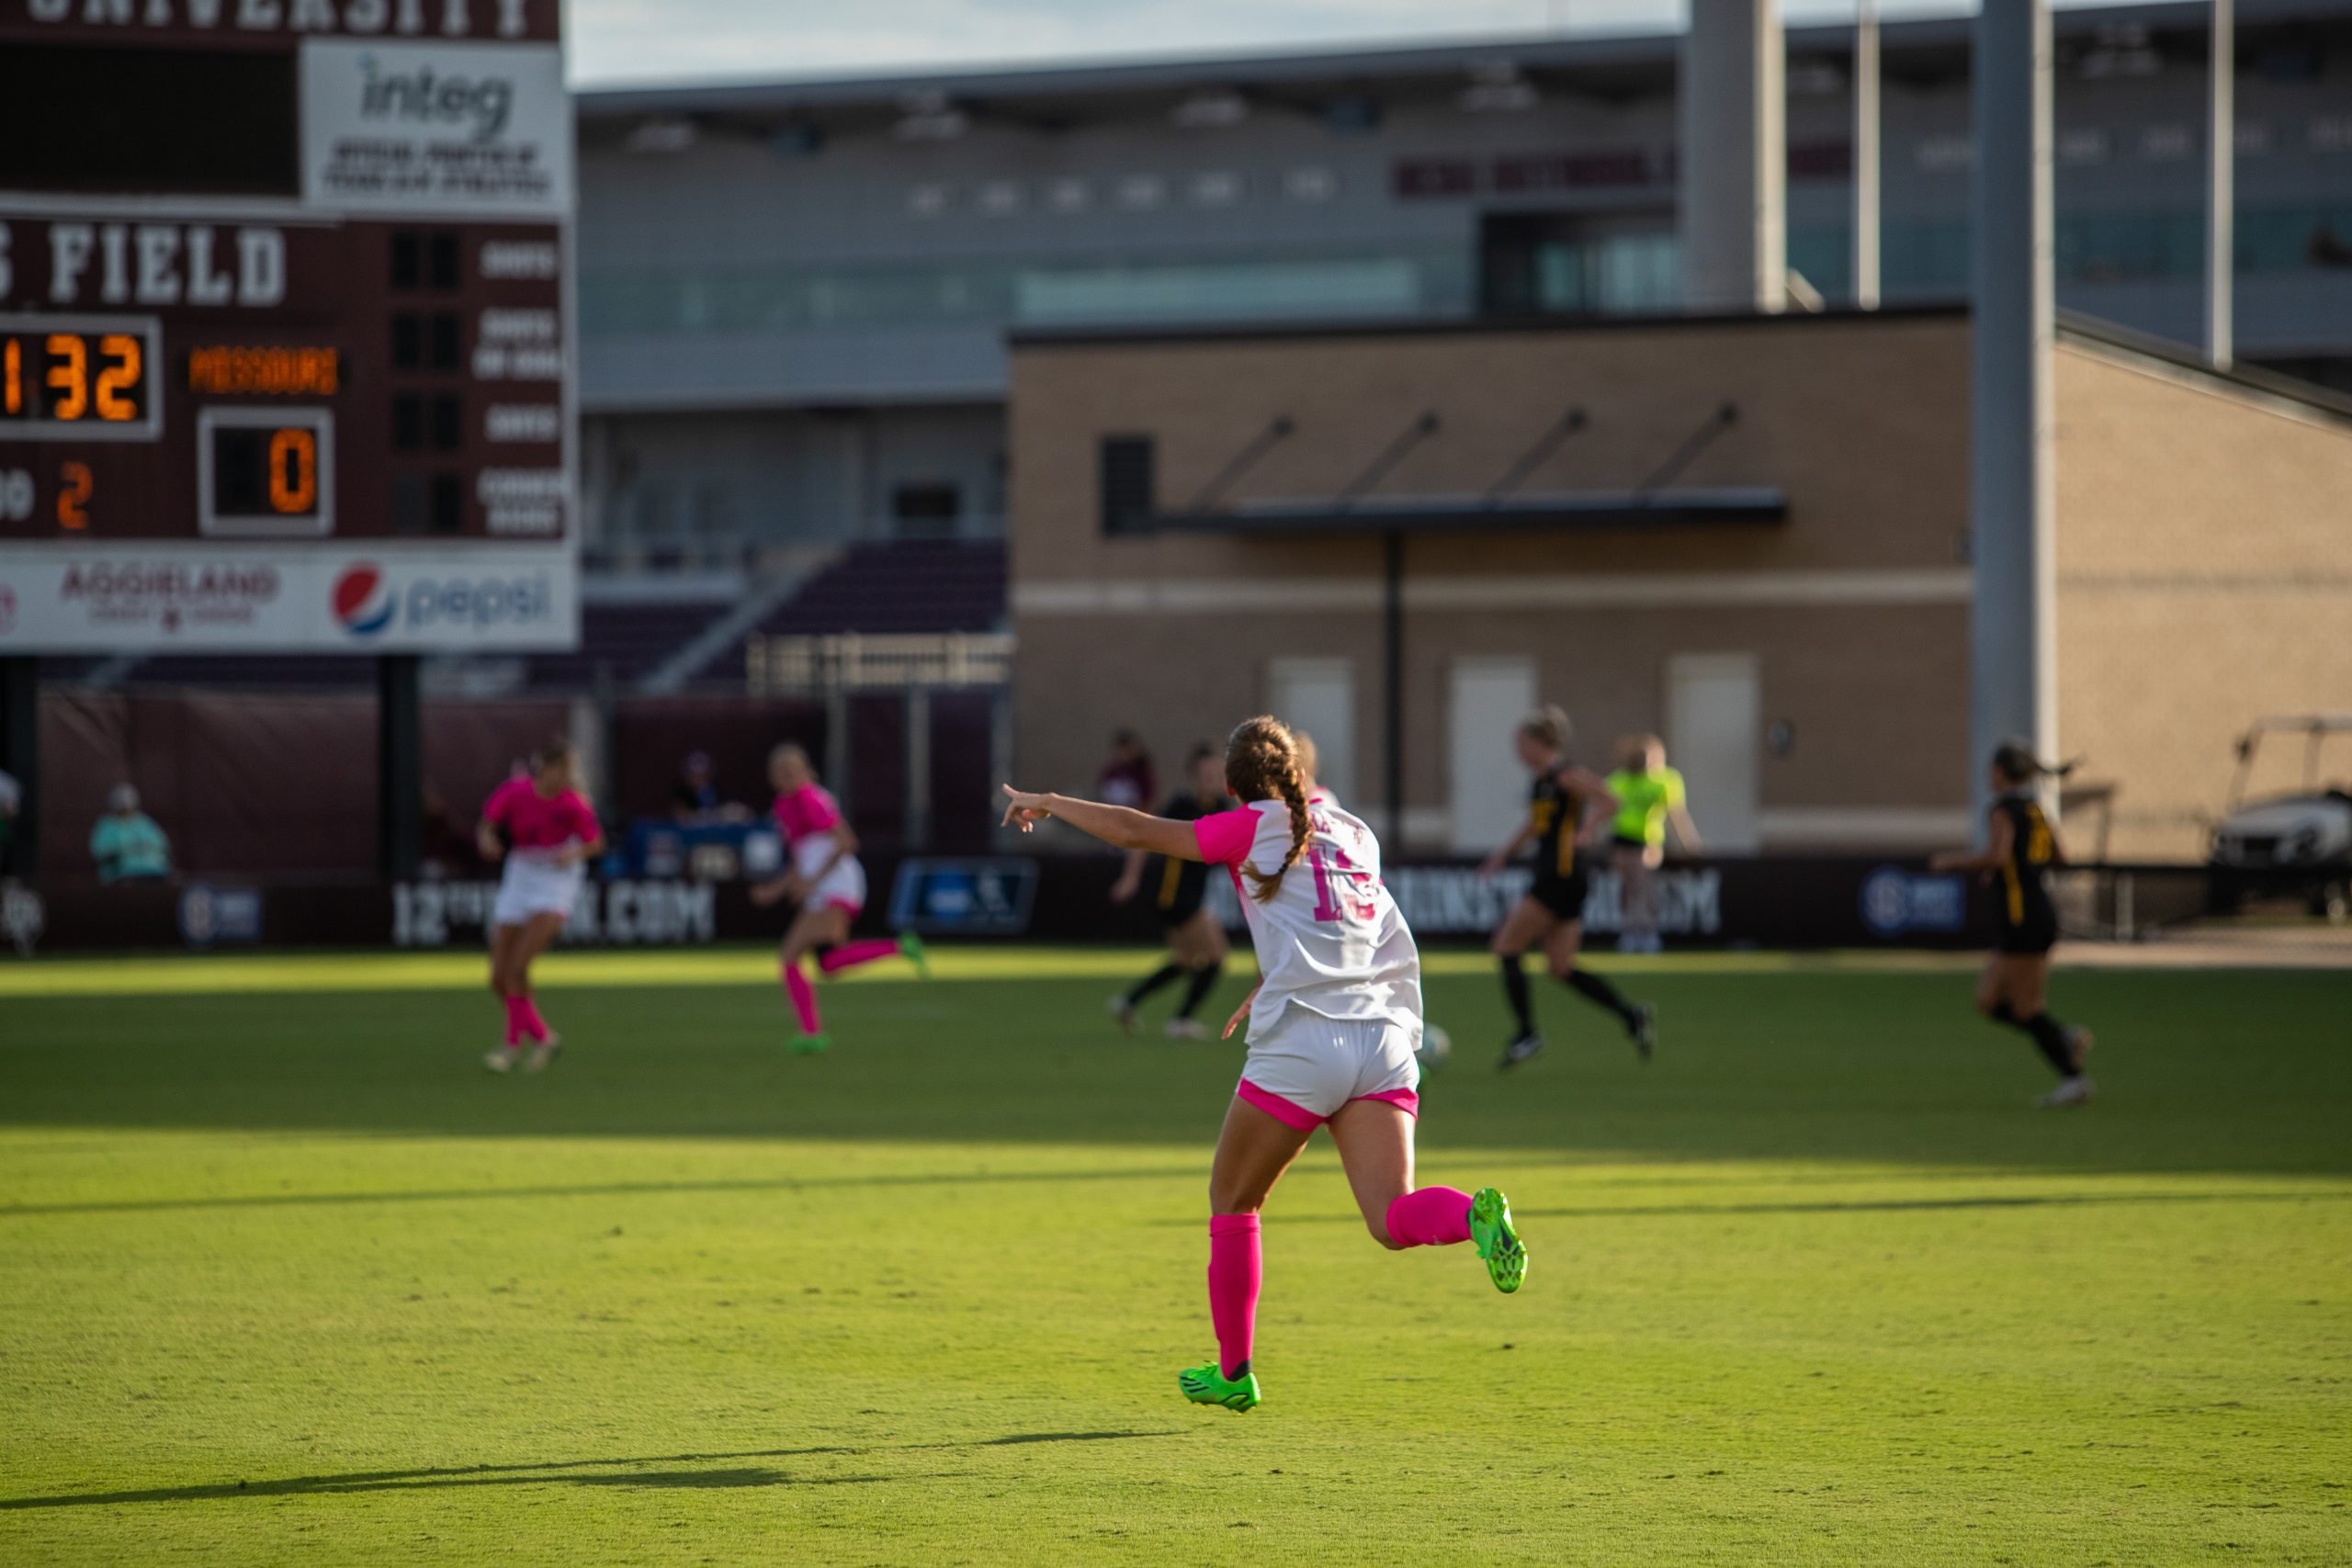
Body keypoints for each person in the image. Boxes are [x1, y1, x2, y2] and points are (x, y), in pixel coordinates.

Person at [1001, 715, 1527, 1416]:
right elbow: (1353, 932)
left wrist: (1050, 800)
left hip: (1307, 1046)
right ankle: (1472, 1216)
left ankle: (1235, 1371)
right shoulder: (1354, 830)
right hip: (1380, 1042)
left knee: (1233, 1200)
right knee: (1390, 1215)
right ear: (1300, 773)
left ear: (1231, 785)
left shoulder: (1247, 826)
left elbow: (1135, 830)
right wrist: (1271, 981)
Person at [1478, 706, 1654, 1069]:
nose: (1519, 752)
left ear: (1540, 743)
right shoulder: (1542, 782)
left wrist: (1588, 829)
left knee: (1506, 946)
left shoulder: (1565, 775)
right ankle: (1631, 1015)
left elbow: (1611, 800)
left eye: (1522, 744)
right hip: (1566, 879)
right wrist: (1503, 855)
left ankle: (1527, 1033)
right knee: (1560, 967)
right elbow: (1536, 825)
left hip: (1560, 876)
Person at [1930, 741, 2096, 1108]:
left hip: (2024, 919)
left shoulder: (2003, 810)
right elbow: (2059, 855)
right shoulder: (2036, 810)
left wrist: (1952, 863)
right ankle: (2063, 1040)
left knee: (2023, 1008)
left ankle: (2072, 1076)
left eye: (1992, 769)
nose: (1989, 775)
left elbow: (1998, 854)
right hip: (2035, 913)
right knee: (1990, 1002)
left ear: (2002, 773)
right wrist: (2014, 871)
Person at [750, 744, 926, 1053]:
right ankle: (899, 946)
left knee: (790, 955)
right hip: (822, 885)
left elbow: (846, 842)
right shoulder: (784, 804)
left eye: (792, 769)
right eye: (780, 771)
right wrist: (776, 889)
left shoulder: (810, 799)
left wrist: (811, 882)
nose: (787, 775)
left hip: (837, 884)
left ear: (806, 771)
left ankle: (811, 1035)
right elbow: (800, 859)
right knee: (829, 962)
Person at [478, 739, 605, 1073]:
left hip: (555, 877)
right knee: (498, 976)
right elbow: (487, 823)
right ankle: (543, 1037)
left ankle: (511, 1045)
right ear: (545, 769)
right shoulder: (516, 792)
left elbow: (595, 842)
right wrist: (487, 839)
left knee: (519, 967)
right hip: (521, 872)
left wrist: (572, 854)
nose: (567, 776)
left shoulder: (573, 804)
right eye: (562, 769)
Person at [1109, 743, 1231, 1039]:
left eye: (1217, 773)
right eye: (1206, 773)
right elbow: (1144, 835)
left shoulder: (1220, 807)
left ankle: (1128, 1001)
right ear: (1194, 776)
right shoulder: (1182, 805)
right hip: (1174, 895)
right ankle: (1182, 1020)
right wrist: (1131, 878)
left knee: (1187, 961)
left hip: (1192, 894)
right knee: (1217, 957)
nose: (1212, 778)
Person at [1605, 734, 1702, 954]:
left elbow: (1678, 815)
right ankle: (1630, 931)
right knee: (1627, 887)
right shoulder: (1620, 780)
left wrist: (1690, 844)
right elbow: (1604, 810)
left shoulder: (1666, 781)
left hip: (1648, 840)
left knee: (1642, 885)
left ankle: (1646, 932)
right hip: (1622, 839)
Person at [90, 784, 171, 885]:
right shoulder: (106, 825)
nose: (125, 812)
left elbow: (162, 845)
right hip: (121, 875)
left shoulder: (144, 823)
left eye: (127, 808)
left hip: (152, 872)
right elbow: (100, 852)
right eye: (122, 808)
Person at [1095, 729, 1157, 812]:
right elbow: (1102, 794)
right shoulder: (1111, 772)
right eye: (1122, 749)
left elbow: (1147, 800)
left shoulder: (1142, 774)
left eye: (1129, 749)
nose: (1125, 753)